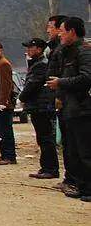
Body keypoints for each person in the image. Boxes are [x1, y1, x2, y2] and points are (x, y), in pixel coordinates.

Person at [46, 17, 91, 201]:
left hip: (83, 109)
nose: (60, 35)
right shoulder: (66, 52)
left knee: (85, 152)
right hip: (70, 109)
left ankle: (88, 189)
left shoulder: (84, 51)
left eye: (63, 31)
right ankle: (80, 186)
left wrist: (61, 83)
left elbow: (86, 78)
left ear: (72, 31)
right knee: (73, 152)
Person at [19, 38, 57, 179]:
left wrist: (21, 98)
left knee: (45, 138)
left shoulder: (40, 65)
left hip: (41, 106)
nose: (28, 50)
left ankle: (51, 168)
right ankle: (45, 166)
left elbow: (32, 84)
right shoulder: (36, 63)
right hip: (37, 106)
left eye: (31, 47)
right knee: (42, 138)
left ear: (39, 49)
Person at [45, 15, 75, 193]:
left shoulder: (67, 50)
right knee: (67, 142)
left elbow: (65, 75)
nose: (48, 30)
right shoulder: (57, 48)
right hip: (60, 98)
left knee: (73, 144)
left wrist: (59, 93)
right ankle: (70, 177)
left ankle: (75, 180)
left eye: (51, 27)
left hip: (67, 100)